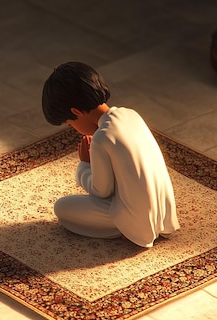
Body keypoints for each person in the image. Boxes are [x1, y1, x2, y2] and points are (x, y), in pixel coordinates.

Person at [41, 62, 179, 248]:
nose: (74, 129)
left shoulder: (102, 137)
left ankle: (126, 229)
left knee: (62, 207)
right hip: (163, 213)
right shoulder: (131, 114)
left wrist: (84, 165)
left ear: (76, 112)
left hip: (136, 219)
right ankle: (149, 224)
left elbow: (101, 191)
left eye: (70, 124)